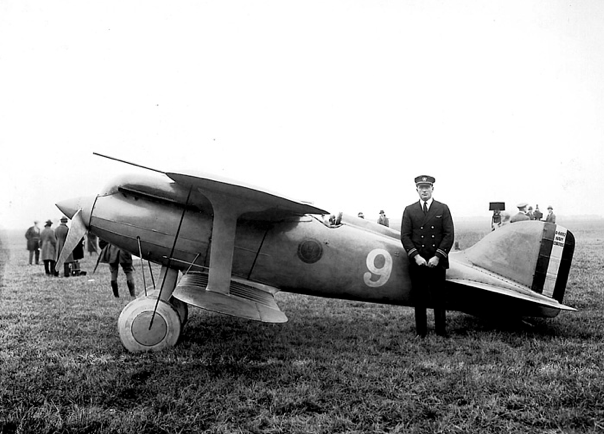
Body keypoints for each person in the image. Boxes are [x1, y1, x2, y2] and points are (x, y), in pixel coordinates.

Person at [401, 175, 454, 337]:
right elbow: (405, 236)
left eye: (427, 187)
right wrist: (416, 256)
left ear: (432, 189)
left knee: (439, 298)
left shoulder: (442, 208)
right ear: (416, 189)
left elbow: (449, 234)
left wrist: (438, 256)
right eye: (421, 188)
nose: (424, 190)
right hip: (419, 262)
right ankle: (421, 331)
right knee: (420, 298)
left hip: (437, 262)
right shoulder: (409, 210)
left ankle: (440, 330)